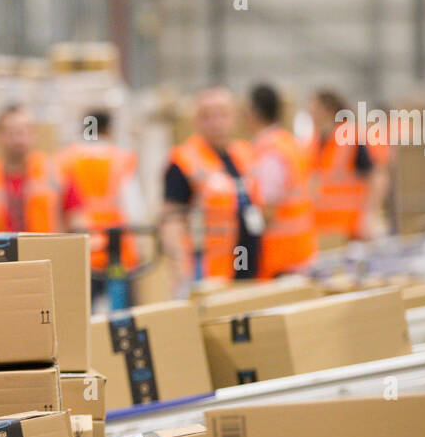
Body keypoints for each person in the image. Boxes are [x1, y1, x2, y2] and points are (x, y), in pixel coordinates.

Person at [160, 86, 263, 283]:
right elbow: (171, 220)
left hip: (249, 266)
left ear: (234, 117)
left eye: (222, 115)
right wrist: (181, 272)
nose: (215, 123)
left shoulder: (244, 153)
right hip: (208, 271)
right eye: (206, 116)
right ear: (196, 121)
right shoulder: (184, 160)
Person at [0, 104, 83, 232]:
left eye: (24, 131)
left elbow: (76, 220)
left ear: (34, 134)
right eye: (11, 132)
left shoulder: (57, 172)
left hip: (45, 251)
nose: (18, 139)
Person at [57, 109, 147, 286]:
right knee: (118, 305)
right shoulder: (120, 158)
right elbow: (134, 207)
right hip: (116, 247)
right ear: (109, 129)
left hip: (79, 245)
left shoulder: (65, 159)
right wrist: (141, 245)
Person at [244, 83, 317, 277]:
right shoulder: (289, 143)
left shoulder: (269, 152)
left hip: (281, 259)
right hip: (300, 250)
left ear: (254, 113)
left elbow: (268, 209)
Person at [308, 89, 389, 242]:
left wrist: (368, 215)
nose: (310, 113)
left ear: (327, 109)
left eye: (314, 108)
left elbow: (377, 177)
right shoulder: (315, 141)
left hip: (350, 229)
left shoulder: (349, 137)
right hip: (324, 230)